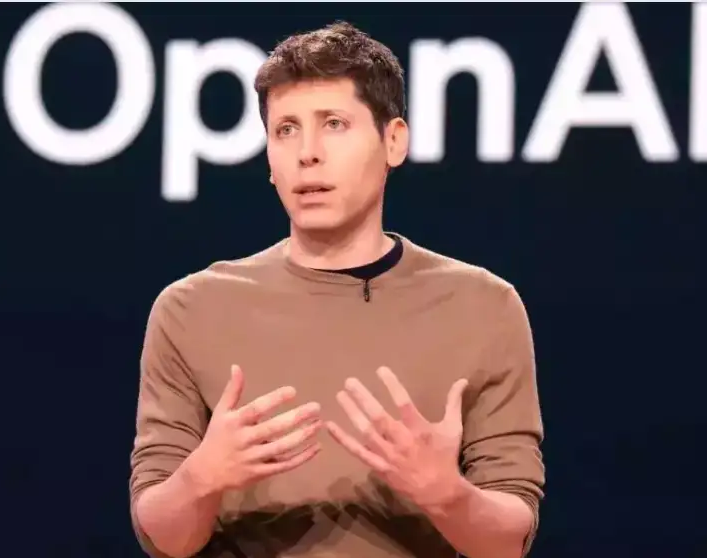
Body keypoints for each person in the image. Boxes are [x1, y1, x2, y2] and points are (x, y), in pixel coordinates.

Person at [128, 20, 545, 558]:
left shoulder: (483, 308)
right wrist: (200, 479)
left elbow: (507, 541)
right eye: (286, 130)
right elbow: (165, 539)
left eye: (334, 124)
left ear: (393, 141)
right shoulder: (191, 310)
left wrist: (448, 495)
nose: (308, 153)